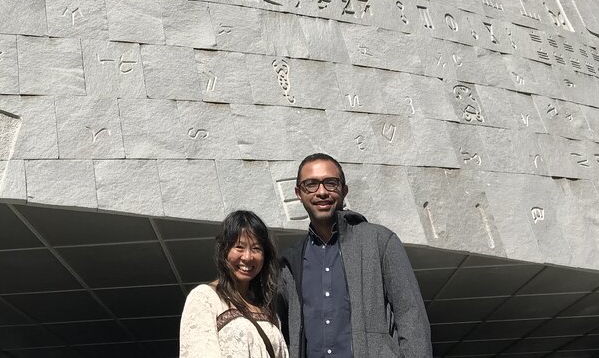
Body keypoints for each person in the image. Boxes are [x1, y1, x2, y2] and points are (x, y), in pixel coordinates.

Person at [278, 153, 432, 358]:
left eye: (331, 183)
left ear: (344, 190)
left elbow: (411, 316)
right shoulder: (291, 262)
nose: (321, 192)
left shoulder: (379, 241)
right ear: (299, 193)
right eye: (311, 184)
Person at [180, 209, 289, 358]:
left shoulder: (267, 308)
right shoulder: (205, 298)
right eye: (239, 247)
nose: (248, 257)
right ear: (224, 251)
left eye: (256, 248)